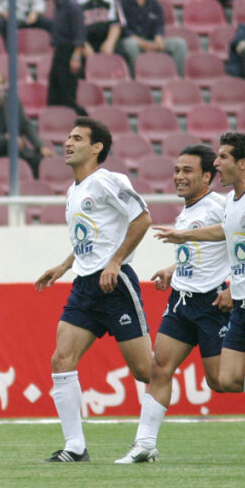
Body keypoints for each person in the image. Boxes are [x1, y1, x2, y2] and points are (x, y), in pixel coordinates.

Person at [120, 144, 245, 463]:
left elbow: (242, 241)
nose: (179, 176)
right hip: (181, 300)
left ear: (207, 177)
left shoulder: (221, 204)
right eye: (176, 170)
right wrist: (174, 268)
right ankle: (145, 444)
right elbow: (212, 244)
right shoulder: (192, 209)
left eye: (187, 171)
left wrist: (231, 287)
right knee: (160, 367)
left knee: (222, 381)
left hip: (213, 302)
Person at [33, 116, 152, 462]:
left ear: (97, 147)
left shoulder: (108, 180)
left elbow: (142, 218)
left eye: (77, 138)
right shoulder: (74, 191)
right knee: (61, 359)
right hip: (85, 286)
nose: (67, 143)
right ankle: (75, 447)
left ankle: (147, 440)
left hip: (115, 284)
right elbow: (92, 238)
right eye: (68, 137)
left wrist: (115, 262)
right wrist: (64, 265)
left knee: (146, 371)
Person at [0, 70, 51, 177]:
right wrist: (6, 139)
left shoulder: (12, 102)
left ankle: (33, 184)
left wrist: (40, 146)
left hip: (9, 147)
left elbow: (26, 125)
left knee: (35, 157)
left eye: (1, 83)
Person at [119, 0, 186, 76]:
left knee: (179, 44)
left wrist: (158, 38)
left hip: (150, 40)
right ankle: (137, 78)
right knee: (131, 45)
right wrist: (141, 42)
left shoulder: (154, 3)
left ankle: (178, 79)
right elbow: (122, 28)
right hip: (132, 40)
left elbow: (159, 25)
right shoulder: (121, 2)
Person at [36, 0, 86, 114]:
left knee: (68, 97)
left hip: (69, 53)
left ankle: (85, 121)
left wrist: (76, 57)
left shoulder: (72, 6)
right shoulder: (57, 5)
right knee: (54, 96)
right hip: (59, 53)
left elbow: (79, 32)